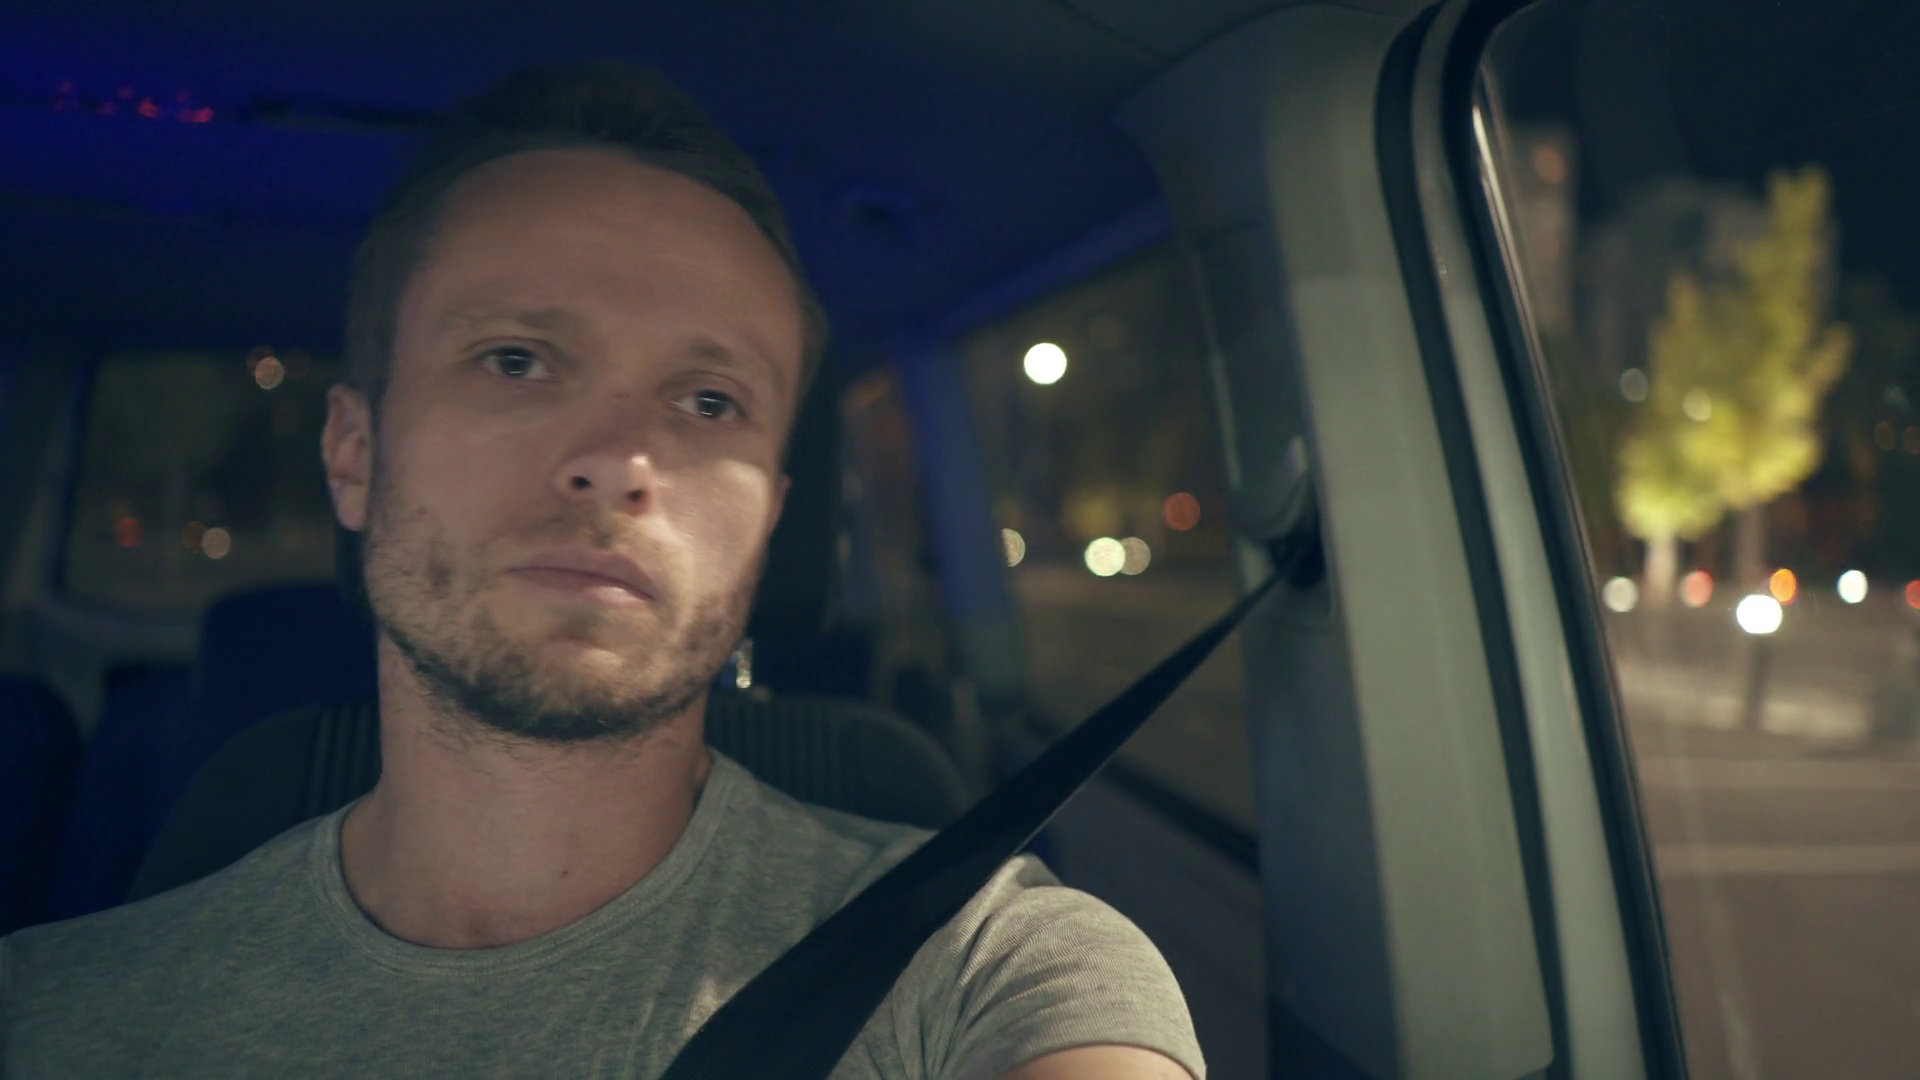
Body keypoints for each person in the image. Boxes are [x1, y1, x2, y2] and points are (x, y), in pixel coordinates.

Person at [0, 65, 1203, 1079]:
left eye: (708, 400)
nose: (619, 463)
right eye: (515, 359)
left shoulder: (990, 968)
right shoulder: (47, 1010)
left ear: (772, 524)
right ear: (354, 455)